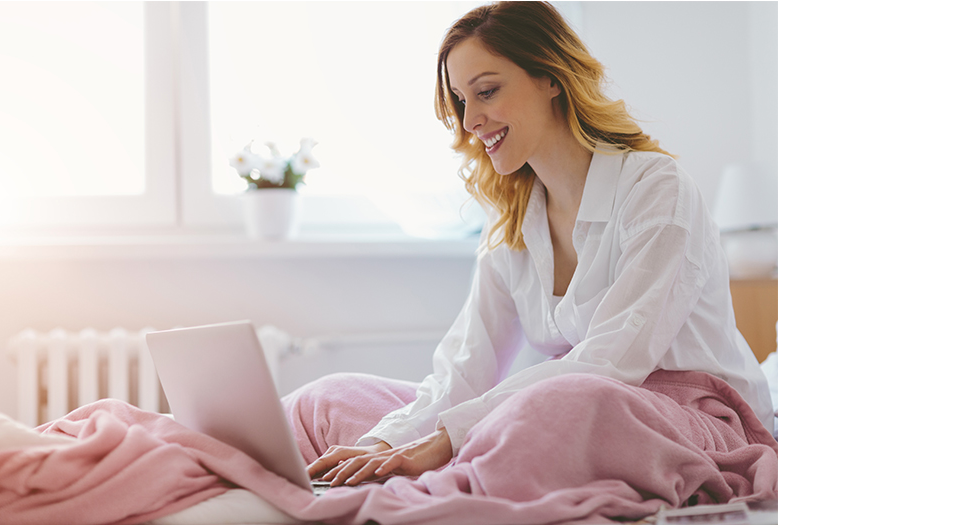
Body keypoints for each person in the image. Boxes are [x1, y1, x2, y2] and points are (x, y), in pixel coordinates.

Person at [295, 1, 774, 488]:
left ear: (551, 77)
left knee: (553, 406)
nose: (470, 121)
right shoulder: (512, 218)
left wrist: (449, 437)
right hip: (576, 405)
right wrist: (387, 439)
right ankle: (443, 461)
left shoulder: (656, 188)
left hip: (691, 417)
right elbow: (468, 363)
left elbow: (610, 362)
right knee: (329, 397)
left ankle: (470, 464)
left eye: (486, 92)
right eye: (461, 101)